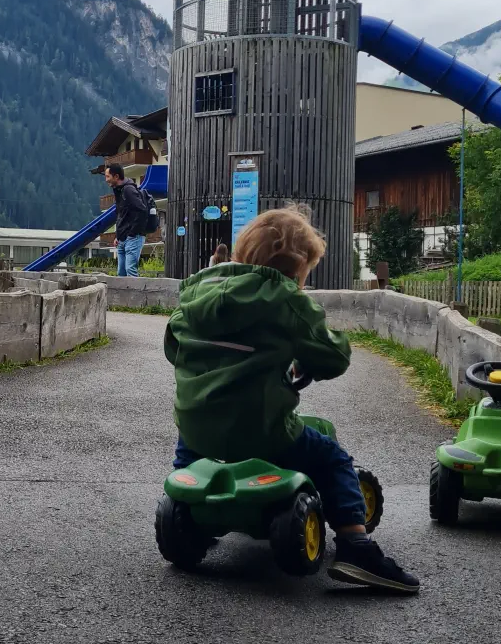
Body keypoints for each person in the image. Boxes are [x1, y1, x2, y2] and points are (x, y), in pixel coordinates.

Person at [164, 206, 419, 594]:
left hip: (195, 431)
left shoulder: (196, 294)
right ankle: (355, 546)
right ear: (296, 268)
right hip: (262, 428)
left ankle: (192, 513)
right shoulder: (285, 301)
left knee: (191, 458)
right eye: (305, 275)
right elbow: (333, 357)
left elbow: (173, 349)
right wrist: (310, 358)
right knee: (332, 458)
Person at [104, 163, 148, 277]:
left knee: (130, 271)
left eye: (108, 176)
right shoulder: (119, 191)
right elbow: (121, 215)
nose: (106, 180)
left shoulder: (129, 190)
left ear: (116, 177)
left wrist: (132, 233)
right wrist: (117, 236)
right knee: (121, 273)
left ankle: (135, 290)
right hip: (122, 238)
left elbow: (142, 210)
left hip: (133, 237)